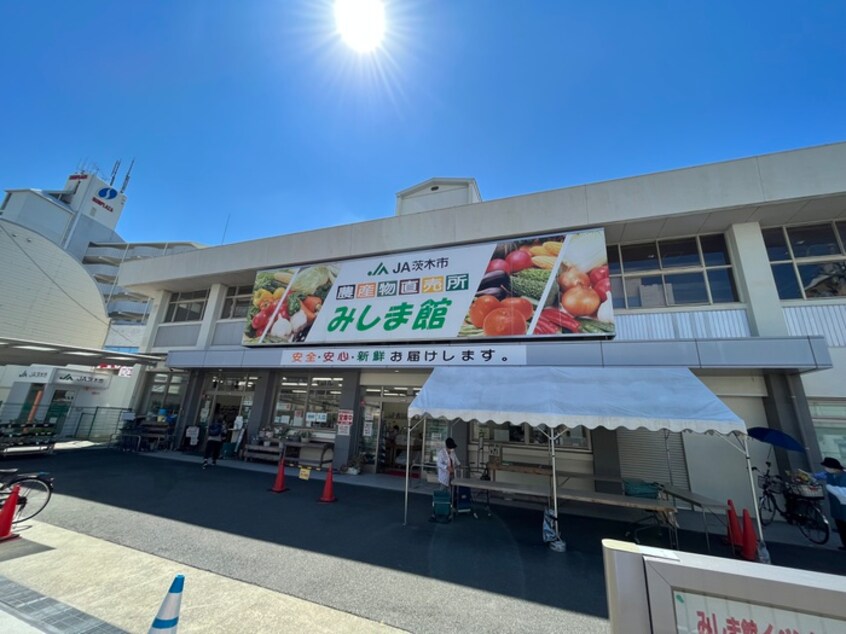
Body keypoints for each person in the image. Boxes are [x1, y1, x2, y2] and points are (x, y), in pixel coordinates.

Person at [813, 457, 846, 550]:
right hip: (836, 505)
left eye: (827, 467)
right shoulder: (828, 474)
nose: (826, 469)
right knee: (841, 525)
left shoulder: (844, 476)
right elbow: (815, 476)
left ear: (833, 467)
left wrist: (830, 488)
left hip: (844, 504)